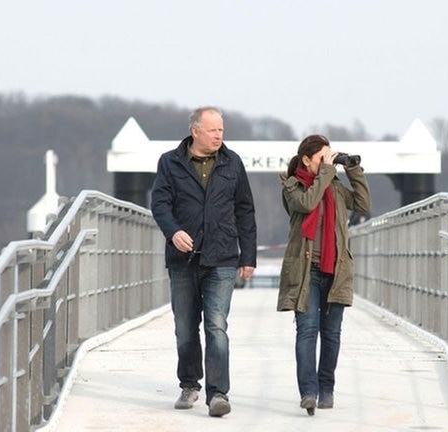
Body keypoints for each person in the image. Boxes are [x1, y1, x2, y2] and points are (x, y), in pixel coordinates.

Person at [150, 106, 257, 418]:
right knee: (185, 327)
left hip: (222, 256)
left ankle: (218, 393)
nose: (219, 135)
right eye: (213, 130)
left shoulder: (232, 162)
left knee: (216, 326)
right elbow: (159, 204)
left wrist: (247, 255)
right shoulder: (170, 162)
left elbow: (245, 210)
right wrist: (173, 232)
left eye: (221, 130)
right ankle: (189, 383)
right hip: (183, 258)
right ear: (195, 131)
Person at [277, 134, 371, 415]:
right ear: (307, 160)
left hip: (336, 270)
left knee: (331, 334)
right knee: (307, 332)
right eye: (322, 158)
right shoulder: (293, 186)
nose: (328, 163)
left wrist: (352, 169)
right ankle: (308, 392)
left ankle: (326, 387)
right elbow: (307, 203)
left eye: (330, 157)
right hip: (306, 272)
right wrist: (328, 173)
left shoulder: (336, 188)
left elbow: (363, 205)